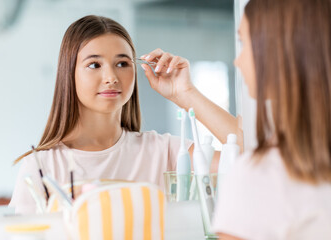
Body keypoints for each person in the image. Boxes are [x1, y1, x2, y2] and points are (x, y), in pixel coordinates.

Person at [140, 0, 331, 239]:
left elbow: (244, 150)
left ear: (277, 52)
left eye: (243, 42)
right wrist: (185, 94)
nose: (237, 61)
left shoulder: (259, 175)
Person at [9, 15, 195, 214]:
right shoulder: (41, 166)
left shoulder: (164, 151)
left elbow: (233, 159)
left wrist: (187, 94)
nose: (111, 78)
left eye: (122, 63)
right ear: (69, 73)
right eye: (94, 65)